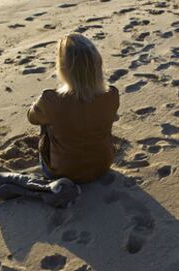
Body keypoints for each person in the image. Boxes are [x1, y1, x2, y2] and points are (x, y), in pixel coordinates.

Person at [27, 33, 120, 184]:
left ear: (63, 68)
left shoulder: (50, 99)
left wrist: (41, 104)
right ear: (98, 65)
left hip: (61, 172)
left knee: (47, 119)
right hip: (102, 166)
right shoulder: (112, 94)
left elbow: (32, 118)